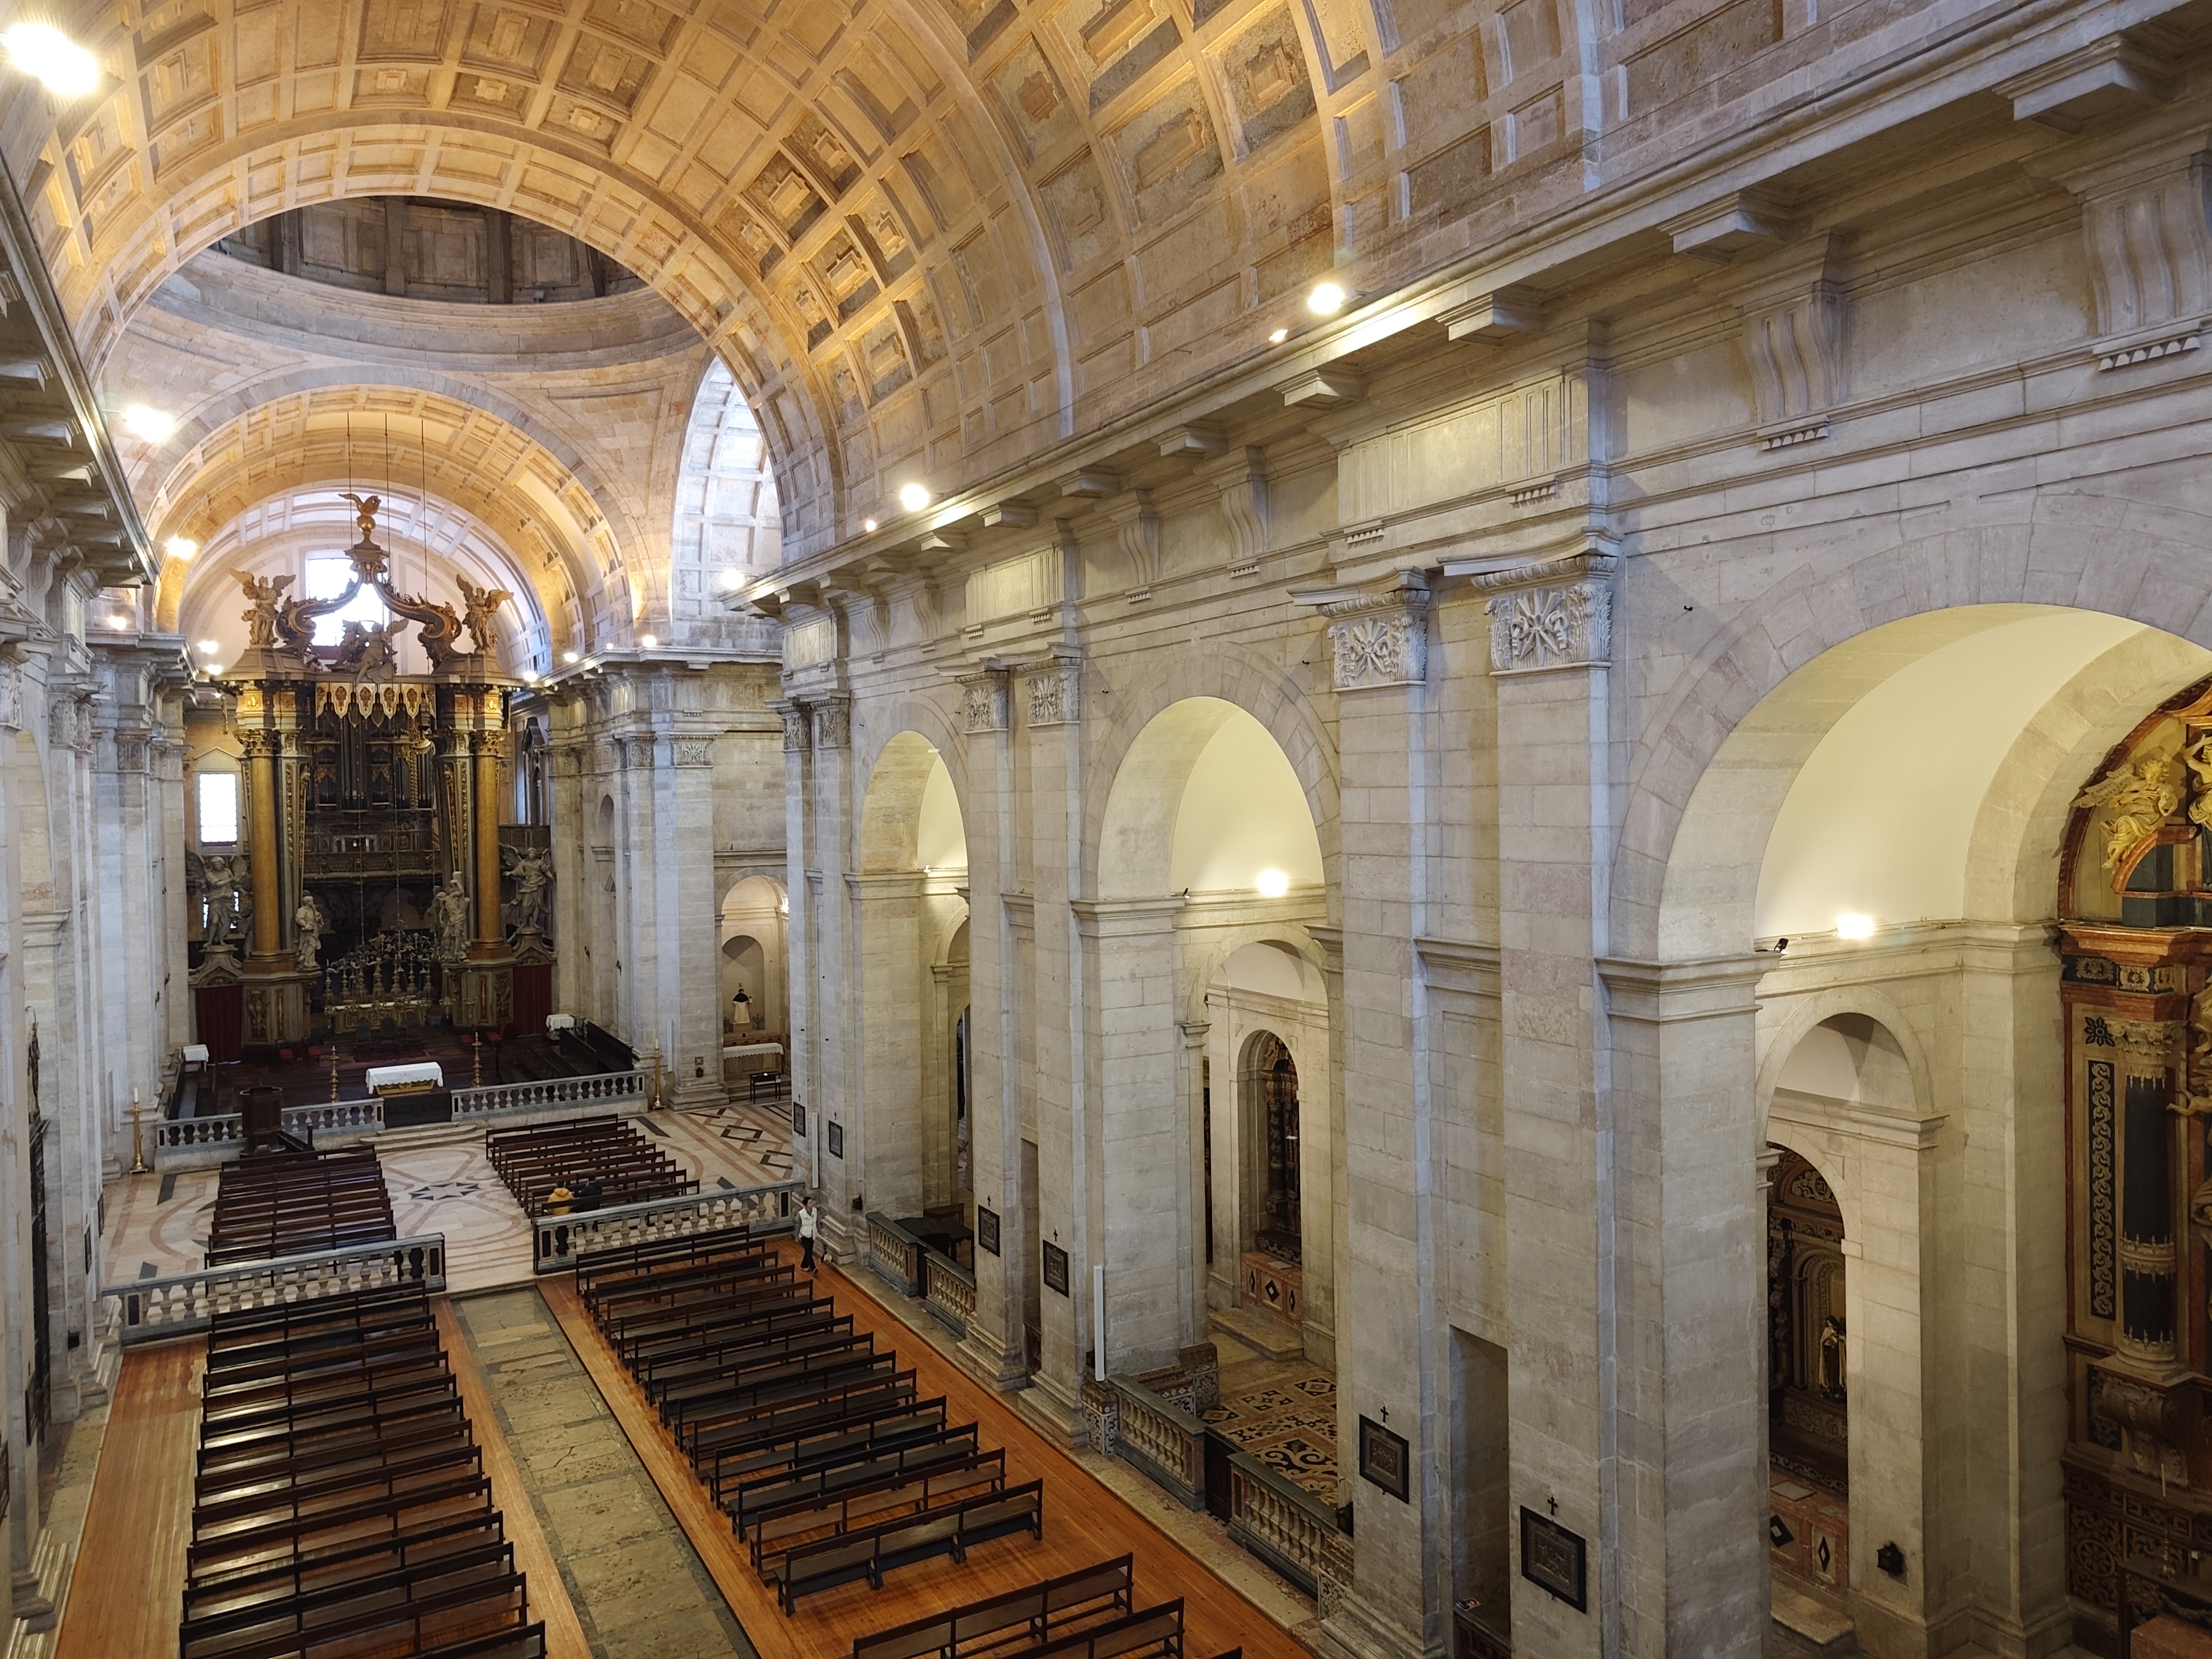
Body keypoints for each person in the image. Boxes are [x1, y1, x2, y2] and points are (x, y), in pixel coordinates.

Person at [796, 1193, 819, 1272]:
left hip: (812, 1233)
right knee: (809, 1252)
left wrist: (819, 1232)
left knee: (808, 1251)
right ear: (806, 1205)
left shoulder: (815, 1211)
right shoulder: (801, 1213)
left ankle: (804, 1265)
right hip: (804, 1234)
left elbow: (817, 1222)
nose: (811, 1204)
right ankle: (813, 1268)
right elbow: (799, 1225)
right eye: (809, 1203)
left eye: (812, 1202)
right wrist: (797, 1237)